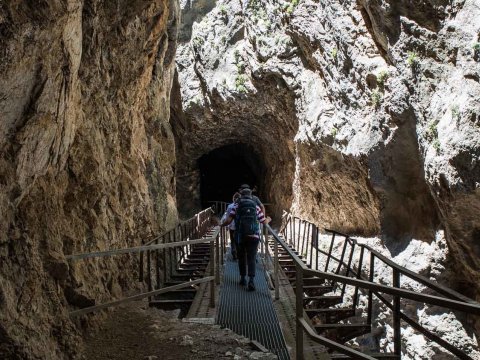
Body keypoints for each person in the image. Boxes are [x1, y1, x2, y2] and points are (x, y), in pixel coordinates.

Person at [221, 188, 270, 291]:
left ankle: (243, 278)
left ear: (241, 195)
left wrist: (221, 225)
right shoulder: (256, 207)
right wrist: (269, 219)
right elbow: (263, 221)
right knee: (251, 258)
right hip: (254, 236)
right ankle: (251, 280)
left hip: (240, 236)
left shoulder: (236, 206)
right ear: (251, 195)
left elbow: (229, 220)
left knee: (241, 257)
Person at [222, 192, 241, 260]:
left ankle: (234, 252)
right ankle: (239, 254)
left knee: (232, 240)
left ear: (233, 199)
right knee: (239, 240)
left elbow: (227, 217)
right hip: (239, 226)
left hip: (231, 225)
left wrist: (225, 225)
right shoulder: (241, 205)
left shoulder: (230, 206)